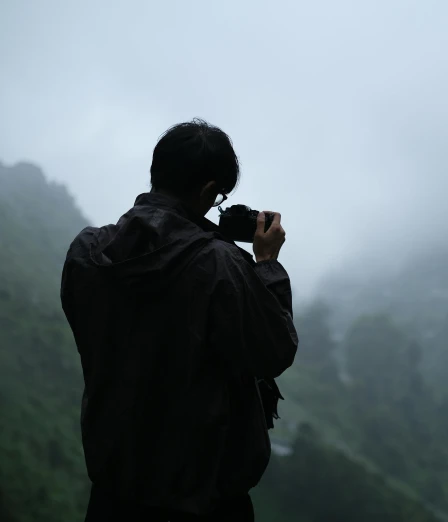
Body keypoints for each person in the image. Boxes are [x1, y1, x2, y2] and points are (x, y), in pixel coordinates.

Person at [60, 119, 299, 521]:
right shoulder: (220, 264)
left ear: (157, 171)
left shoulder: (87, 250)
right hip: (202, 500)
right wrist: (266, 265)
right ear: (208, 190)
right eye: (219, 196)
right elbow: (273, 350)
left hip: (114, 490)